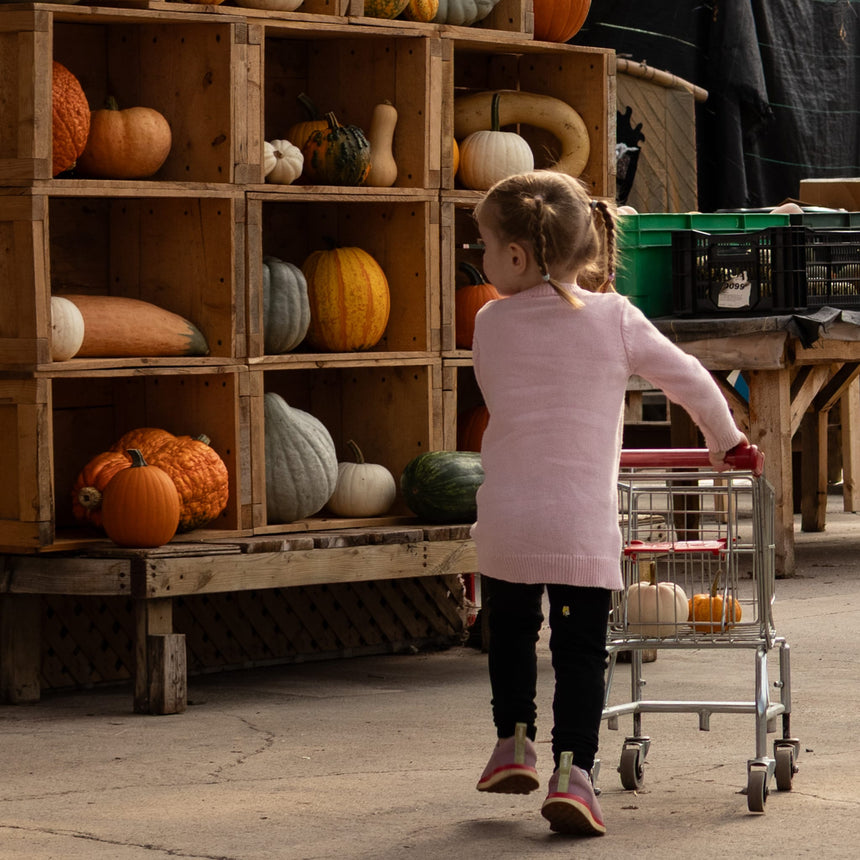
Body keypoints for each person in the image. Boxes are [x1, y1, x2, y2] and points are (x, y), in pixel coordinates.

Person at [469, 170, 748, 837]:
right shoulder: (616, 318)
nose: (478, 260)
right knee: (578, 650)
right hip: (579, 527)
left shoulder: (487, 320)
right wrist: (726, 442)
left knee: (508, 633)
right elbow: (689, 379)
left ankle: (513, 740)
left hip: (507, 519)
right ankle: (574, 773)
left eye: (482, 245)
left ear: (516, 256)